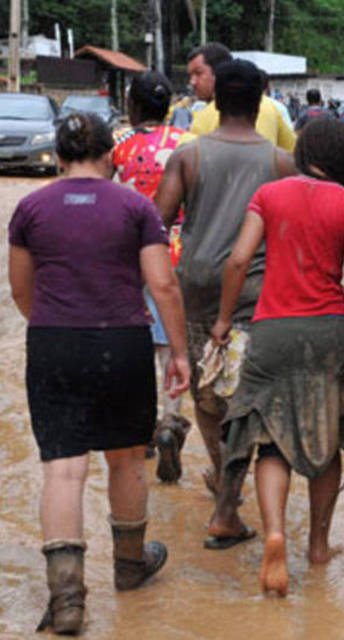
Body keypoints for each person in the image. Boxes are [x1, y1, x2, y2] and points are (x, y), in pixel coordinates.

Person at [8, 113, 190, 634]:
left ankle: (67, 601)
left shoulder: (30, 208)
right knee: (128, 459)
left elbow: (22, 289)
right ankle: (130, 567)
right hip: (123, 343)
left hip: (54, 342)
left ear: (59, 157)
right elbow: (164, 286)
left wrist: (55, 330)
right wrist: (178, 352)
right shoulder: (135, 206)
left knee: (63, 470)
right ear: (111, 156)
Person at [211, 116, 344, 596]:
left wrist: (224, 320)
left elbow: (239, 259)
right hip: (331, 331)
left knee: (270, 438)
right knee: (328, 435)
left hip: (272, 330)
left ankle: (273, 534)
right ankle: (319, 547)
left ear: (303, 151)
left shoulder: (269, 195)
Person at [155, 59, 298, 549]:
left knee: (207, 395)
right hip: (257, 294)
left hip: (195, 288)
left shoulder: (189, 157)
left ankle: (224, 484)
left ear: (216, 101)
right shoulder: (281, 163)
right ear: (261, 101)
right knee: (250, 398)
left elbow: (158, 222)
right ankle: (227, 505)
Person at [113, 71, 192, 483]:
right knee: (171, 344)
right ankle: (170, 422)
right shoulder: (187, 145)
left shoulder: (119, 145)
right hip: (176, 250)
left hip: (129, 254)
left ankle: (140, 428)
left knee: (137, 342)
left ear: (133, 105)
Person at [187, 43, 296, 152]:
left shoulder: (202, 120)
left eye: (198, 73)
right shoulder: (270, 107)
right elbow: (293, 153)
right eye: (190, 75)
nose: (192, 82)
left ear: (218, 74)